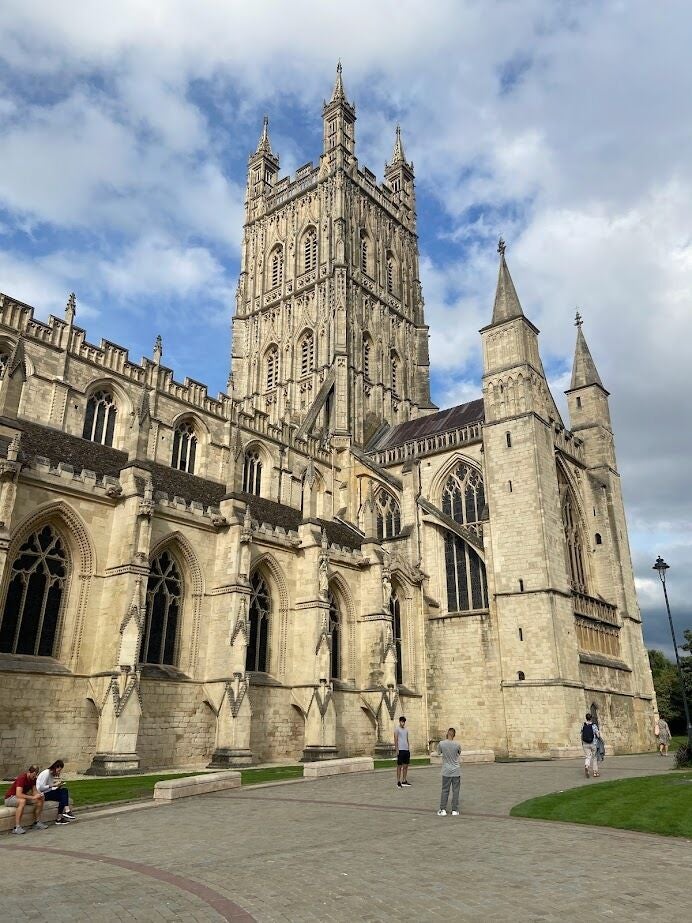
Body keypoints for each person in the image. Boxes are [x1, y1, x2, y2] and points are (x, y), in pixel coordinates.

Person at [4, 764, 47, 834]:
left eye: (36, 775)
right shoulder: (22, 778)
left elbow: (34, 791)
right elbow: (18, 794)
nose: (35, 777)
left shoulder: (33, 779)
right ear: (29, 772)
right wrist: (33, 797)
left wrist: (38, 795)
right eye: (34, 775)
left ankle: (37, 822)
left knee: (40, 799)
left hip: (20, 797)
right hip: (10, 798)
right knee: (22, 801)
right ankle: (17, 827)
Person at [36, 760, 75, 825]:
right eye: (59, 770)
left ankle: (60, 818)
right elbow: (41, 788)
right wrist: (54, 785)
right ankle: (66, 812)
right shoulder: (46, 773)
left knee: (64, 793)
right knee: (63, 793)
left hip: (48, 792)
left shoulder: (51, 774)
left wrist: (57, 786)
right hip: (42, 794)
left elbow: (49, 787)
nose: (59, 772)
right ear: (55, 767)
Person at [437, 727, 461, 816]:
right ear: (454, 735)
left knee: (445, 790)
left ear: (447, 733)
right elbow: (459, 753)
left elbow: (438, 753)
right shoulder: (457, 744)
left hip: (446, 770)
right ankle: (455, 810)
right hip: (456, 770)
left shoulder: (441, 743)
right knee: (456, 790)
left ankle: (443, 809)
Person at [581, 712, 601, 778]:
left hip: (585, 744)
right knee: (594, 758)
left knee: (587, 756)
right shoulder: (594, 726)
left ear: (586, 718)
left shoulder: (583, 725)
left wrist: (582, 743)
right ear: (591, 718)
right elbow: (598, 735)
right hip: (593, 743)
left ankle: (587, 765)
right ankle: (595, 772)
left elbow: (581, 735)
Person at [394, 715, 411, 787]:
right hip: (400, 750)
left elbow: (407, 739)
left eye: (404, 722)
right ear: (399, 721)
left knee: (405, 766)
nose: (403, 723)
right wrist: (397, 749)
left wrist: (408, 748)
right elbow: (395, 739)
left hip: (406, 750)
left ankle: (404, 780)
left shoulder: (406, 730)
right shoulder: (397, 729)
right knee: (399, 766)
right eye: (401, 722)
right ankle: (398, 781)